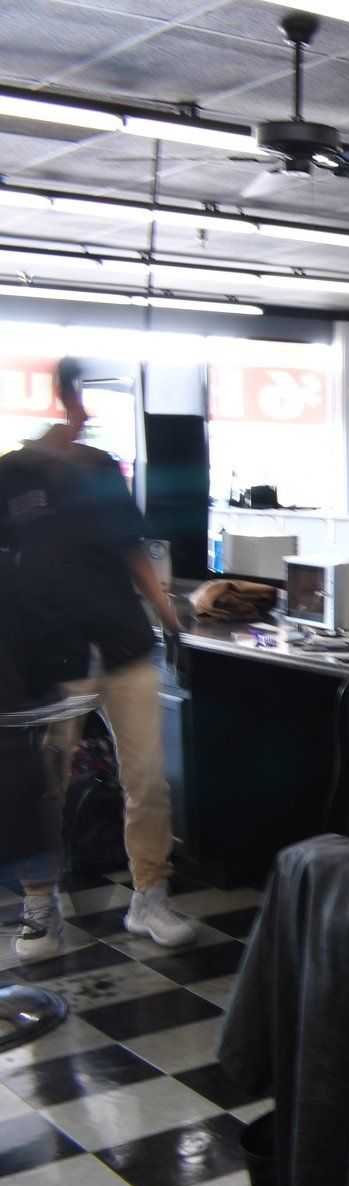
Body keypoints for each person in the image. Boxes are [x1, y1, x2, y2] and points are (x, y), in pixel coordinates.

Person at [0, 357, 194, 957]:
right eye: (76, 399)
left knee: (147, 780)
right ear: (61, 400)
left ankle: (149, 895)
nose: (84, 415)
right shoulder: (12, 474)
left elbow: (132, 547)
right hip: (50, 655)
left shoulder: (103, 470)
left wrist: (167, 614)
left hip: (123, 646)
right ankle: (41, 907)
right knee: (45, 788)